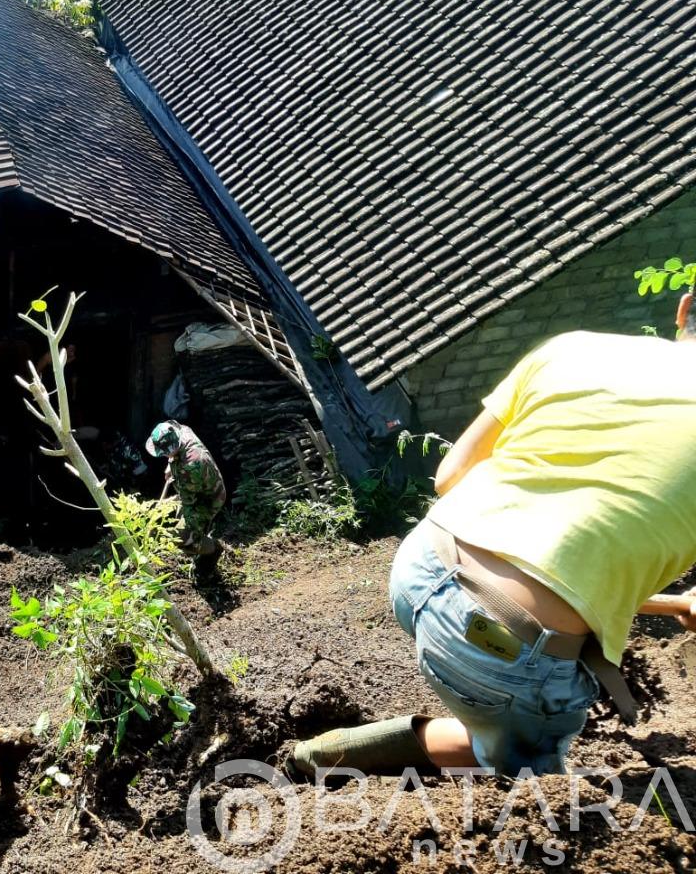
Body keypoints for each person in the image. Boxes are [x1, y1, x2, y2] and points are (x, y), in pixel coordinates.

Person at [293, 293, 696, 780]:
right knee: (529, 771)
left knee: (503, 712)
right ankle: (323, 759)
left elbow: (450, 479)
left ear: (684, 308)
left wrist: (671, 603)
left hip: (422, 564)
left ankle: (316, 755)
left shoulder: (571, 349)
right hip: (501, 646)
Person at [146, 420, 226, 565]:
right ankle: (197, 538)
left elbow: (189, 502)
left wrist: (184, 531)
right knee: (172, 516)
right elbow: (174, 454)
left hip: (207, 498)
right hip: (196, 486)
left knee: (182, 540)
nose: (164, 456)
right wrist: (171, 464)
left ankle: (214, 549)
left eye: (165, 453)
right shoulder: (180, 430)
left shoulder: (190, 467)